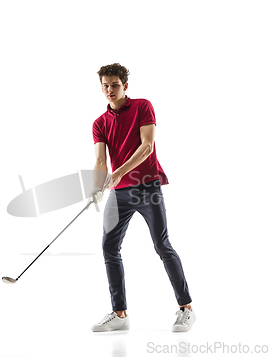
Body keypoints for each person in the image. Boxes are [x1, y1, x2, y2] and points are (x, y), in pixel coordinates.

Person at [89, 63, 196, 332]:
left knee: (162, 245)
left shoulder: (143, 106)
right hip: (119, 194)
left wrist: (120, 170)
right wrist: (96, 186)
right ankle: (120, 313)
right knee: (109, 248)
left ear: (125, 85)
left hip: (148, 187)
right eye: (105, 85)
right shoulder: (99, 123)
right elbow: (101, 159)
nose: (109, 90)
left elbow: (147, 147)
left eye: (114, 84)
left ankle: (186, 309)